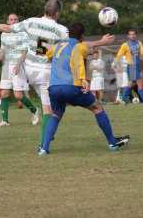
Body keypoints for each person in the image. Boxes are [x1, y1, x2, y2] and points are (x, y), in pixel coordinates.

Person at [0, 0, 69, 145]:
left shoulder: (31, 22)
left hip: (27, 69)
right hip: (44, 72)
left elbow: (8, 28)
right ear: (57, 13)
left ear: (44, 9)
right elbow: (65, 52)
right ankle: (45, 139)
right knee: (49, 109)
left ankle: (43, 127)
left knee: (25, 97)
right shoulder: (62, 30)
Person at [38, 22, 130, 155]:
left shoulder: (58, 45)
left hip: (54, 87)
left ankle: (44, 148)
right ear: (82, 36)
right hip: (71, 87)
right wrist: (102, 41)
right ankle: (112, 142)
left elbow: (46, 54)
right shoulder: (79, 46)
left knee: (55, 114)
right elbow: (87, 47)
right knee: (97, 107)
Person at [0, 13, 40, 127]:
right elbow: (2, 51)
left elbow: (24, 51)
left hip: (18, 66)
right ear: (7, 22)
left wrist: (18, 65)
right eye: (11, 19)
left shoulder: (23, 34)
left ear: (18, 22)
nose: (13, 21)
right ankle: (5, 120)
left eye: (15, 19)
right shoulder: (4, 34)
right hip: (6, 66)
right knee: (4, 93)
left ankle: (34, 110)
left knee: (18, 95)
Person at [116, 29, 143, 105]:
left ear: (136, 35)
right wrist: (118, 64)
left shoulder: (139, 43)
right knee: (139, 84)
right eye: (130, 34)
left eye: (134, 34)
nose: (132, 36)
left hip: (137, 65)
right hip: (131, 66)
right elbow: (119, 55)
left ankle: (123, 99)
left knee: (130, 84)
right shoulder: (125, 45)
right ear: (128, 36)